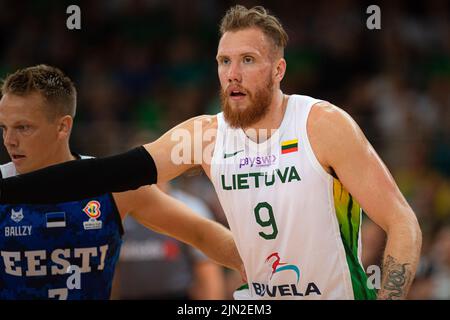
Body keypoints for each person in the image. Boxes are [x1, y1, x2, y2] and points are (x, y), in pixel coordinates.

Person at [0, 6, 422, 300]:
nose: (232, 74)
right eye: (224, 61)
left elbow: (402, 222)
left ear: (278, 70)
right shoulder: (204, 135)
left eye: (248, 60)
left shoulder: (322, 124)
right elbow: (107, 174)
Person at [0, 64, 243, 299]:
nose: (9, 140)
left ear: (63, 126)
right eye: (4, 128)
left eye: (23, 127)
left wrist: (257, 263)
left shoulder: (112, 185)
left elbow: (201, 234)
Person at [113, 181, 226, 300]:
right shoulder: (118, 210)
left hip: (178, 294)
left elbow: (208, 272)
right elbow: (110, 272)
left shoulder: (191, 208)